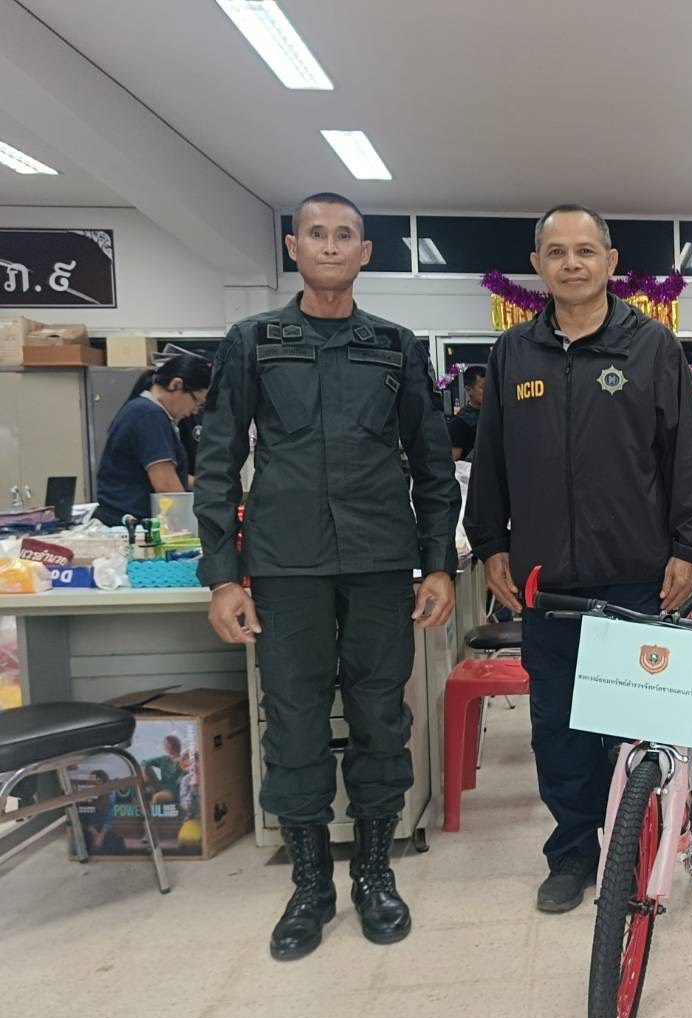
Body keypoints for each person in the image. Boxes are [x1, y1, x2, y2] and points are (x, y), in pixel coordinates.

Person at [195, 191, 459, 961]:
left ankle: (374, 873)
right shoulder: (253, 341)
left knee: (380, 719)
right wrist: (223, 577)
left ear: (364, 252)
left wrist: (438, 564)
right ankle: (310, 885)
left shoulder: (396, 347)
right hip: (285, 565)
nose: (332, 246)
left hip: (380, 562)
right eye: (317, 233)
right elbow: (216, 462)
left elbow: (433, 465)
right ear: (294, 246)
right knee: (295, 723)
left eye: (346, 235)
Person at [465, 204, 692, 913]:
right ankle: (573, 851)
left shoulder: (652, 348)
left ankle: (632, 846)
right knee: (559, 728)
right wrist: (491, 542)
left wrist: (689, 546)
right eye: (556, 252)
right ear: (537, 265)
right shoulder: (513, 355)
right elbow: (491, 460)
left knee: (634, 726)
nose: (571, 263)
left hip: (637, 576)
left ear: (610, 261)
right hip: (549, 585)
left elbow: (684, 455)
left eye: (585, 250)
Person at [94, 351, 211, 527]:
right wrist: (188, 527)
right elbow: (166, 486)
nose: (195, 411)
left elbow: (167, 475)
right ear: (176, 385)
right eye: (198, 402)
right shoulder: (150, 416)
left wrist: (207, 485)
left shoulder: (144, 411)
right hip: (130, 523)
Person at [448, 364, 484, 462]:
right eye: (483, 387)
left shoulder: (496, 415)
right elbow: (454, 460)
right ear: (468, 390)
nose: (488, 391)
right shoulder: (460, 422)